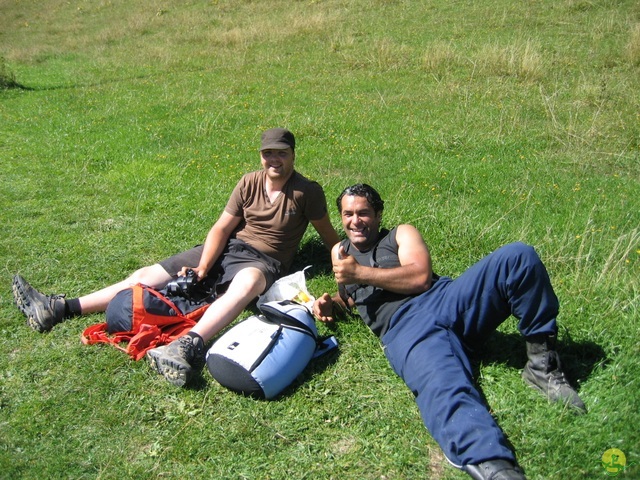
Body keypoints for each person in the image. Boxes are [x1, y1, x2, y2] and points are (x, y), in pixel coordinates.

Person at [13, 128, 340, 387]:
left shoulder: (306, 191)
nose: (274, 160)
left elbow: (327, 235)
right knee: (145, 275)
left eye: (281, 154)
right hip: (229, 247)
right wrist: (203, 265)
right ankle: (59, 308)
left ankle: (186, 345)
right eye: (268, 153)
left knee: (248, 283)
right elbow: (221, 228)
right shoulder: (249, 182)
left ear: (293, 155)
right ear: (261, 155)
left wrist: (345, 262)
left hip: (264, 261)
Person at [312, 183, 586, 480]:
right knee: (441, 382)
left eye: (364, 213)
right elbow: (351, 298)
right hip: (405, 330)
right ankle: (491, 463)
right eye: (348, 214)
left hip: (447, 299)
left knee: (517, 256)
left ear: (378, 214)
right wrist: (332, 306)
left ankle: (541, 365)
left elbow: (420, 277)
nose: (355, 221)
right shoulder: (339, 252)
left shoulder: (400, 234)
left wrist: (361, 273)